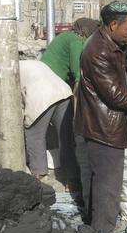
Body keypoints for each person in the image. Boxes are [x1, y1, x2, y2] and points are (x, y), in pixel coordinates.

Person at [74, 1, 127, 233]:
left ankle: (97, 225)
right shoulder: (99, 51)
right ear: (113, 25)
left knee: (102, 180)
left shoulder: (109, 44)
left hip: (103, 122)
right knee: (108, 182)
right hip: (103, 125)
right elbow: (116, 96)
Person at [39, 18, 100, 192]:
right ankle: (67, 180)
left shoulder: (67, 37)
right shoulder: (75, 40)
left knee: (61, 134)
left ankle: (63, 178)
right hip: (52, 88)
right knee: (65, 135)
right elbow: (78, 72)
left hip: (52, 86)